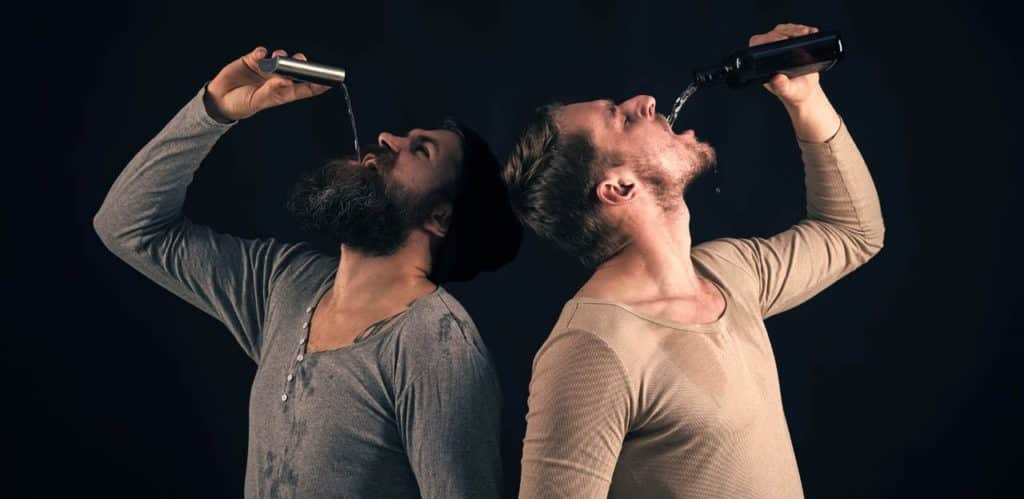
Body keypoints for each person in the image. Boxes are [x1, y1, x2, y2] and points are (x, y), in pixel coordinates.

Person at [93, 46, 521, 498]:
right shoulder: (285, 285)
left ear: (440, 217)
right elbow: (128, 227)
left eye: (421, 150)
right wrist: (215, 109)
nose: (387, 140)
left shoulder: (436, 345)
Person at [503, 23, 884, 498]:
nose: (643, 101)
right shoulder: (590, 349)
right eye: (620, 119)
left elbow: (852, 233)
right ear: (619, 189)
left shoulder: (727, 272)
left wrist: (805, 101)